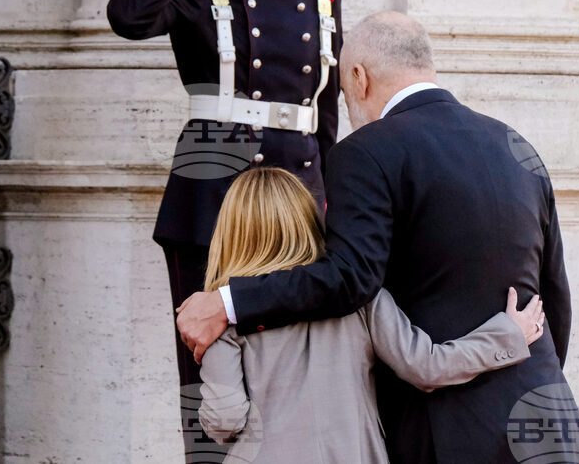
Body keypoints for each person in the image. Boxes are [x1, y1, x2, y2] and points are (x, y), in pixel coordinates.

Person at [178, 13, 579, 463]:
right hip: (546, 417)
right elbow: (555, 297)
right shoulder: (515, 145)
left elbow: (351, 277)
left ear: (358, 77)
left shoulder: (366, 151)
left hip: (442, 432)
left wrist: (228, 302)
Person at [106, 0, 342, 458]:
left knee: (292, 387)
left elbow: (325, 119)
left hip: (295, 210)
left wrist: (336, 211)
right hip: (211, 204)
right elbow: (126, 15)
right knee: (210, 397)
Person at [197, 167, 545, 463]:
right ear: (309, 220)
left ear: (231, 234)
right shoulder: (359, 297)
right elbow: (426, 366)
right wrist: (506, 335)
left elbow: (226, 418)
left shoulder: (221, 318)